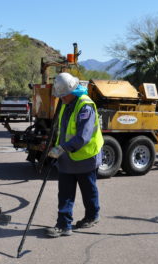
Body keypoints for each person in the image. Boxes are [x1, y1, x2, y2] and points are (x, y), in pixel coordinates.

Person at [45, 72, 104, 238]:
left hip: (85, 156)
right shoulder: (66, 103)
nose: (61, 98)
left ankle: (92, 216)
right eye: (60, 95)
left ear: (72, 91)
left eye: (63, 95)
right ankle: (63, 225)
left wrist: (62, 148)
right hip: (66, 157)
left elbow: (82, 137)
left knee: (88, 191)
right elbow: (63, 130)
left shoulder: (85, 106)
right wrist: (55, 146)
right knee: (65, 193)